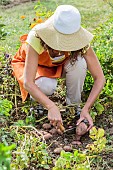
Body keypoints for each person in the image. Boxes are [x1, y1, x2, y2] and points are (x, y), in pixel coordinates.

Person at [11, 5, 105, 132]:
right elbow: (29, 82)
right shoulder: (37, 36)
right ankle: (39, 105)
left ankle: (74, 107)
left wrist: (86, 108)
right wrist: (51, 106)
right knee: (45, 85)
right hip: (34, 67)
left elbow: (100, 78)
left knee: (79, 63)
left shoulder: (80, 40)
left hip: (57, 66)